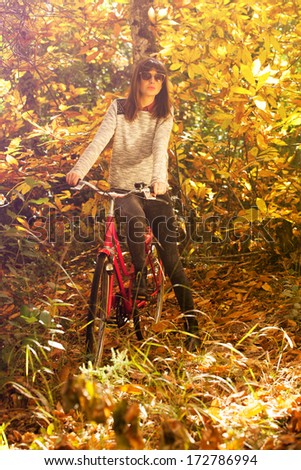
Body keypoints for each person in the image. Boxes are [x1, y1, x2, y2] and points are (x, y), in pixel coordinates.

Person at [66, 57, 201, 352]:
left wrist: (158, 179)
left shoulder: (164, 113)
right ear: (137, 79)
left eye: (158, 76)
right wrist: (79, 170)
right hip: (123, 189)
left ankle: (193, 329)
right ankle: (139, 276)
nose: (153, 80)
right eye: (146, 75)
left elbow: (159, 148)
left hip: (154, 188)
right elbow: (99, 142)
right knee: (134, 222)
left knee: (172, 262)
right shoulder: (118, 107)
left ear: (163, 82)